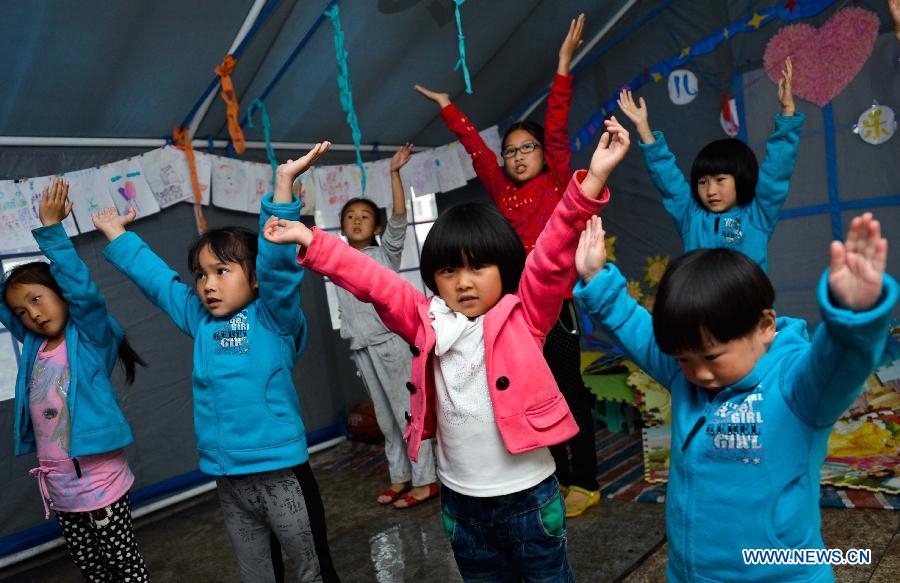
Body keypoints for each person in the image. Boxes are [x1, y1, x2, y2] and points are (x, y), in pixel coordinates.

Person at [263, 118, 629, 581]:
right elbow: (376, 283)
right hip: (462, 505)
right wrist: (312, 240)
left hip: (529, 497)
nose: (464, 282)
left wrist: (593, 178)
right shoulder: (425, 320)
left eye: (478, 267)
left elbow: (554, 250)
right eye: (449, 271)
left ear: (505, 268)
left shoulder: (526, 315)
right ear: (434, 276)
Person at [573, 211, 896, 582]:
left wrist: (853, 316)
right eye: (683, 358)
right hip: (692, 573)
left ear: (765, 327)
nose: (698, 373)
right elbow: (636, 329)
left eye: (712, 357)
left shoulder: (799, 388)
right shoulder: (688, 373)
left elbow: (840, 362)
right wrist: (596, 279)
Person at [94, 144, 339, 583]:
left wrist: (282, 188)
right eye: (202, 274)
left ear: (256, 277)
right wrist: (118, 235)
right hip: (229, 479)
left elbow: (280, 264)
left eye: (222, 271)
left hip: (281, 473)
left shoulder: (274, 315)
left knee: (310, 572)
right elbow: (159, 284)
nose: (208, 284)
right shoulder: (201, 319)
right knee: (257, 574)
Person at [415, 13, 603, 517]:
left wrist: (563, 66)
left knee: (567, 390)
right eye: (511, 151)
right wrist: (450, 109)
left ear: (544, 154)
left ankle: (584, 479)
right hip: (514, 311)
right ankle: (554, 475)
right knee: (529, 391)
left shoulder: (559, 181)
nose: (518, 157)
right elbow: (478, 154)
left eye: (528, 148)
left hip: (556, 306)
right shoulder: (503, 191)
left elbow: (559, 127)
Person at [1, 178, 149, 582]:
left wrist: (52, 232)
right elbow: (6, 306)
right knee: (92, 569)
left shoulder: (89, 338)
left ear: (60, 294)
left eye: (37, 298)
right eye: (20, 311)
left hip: (99, 482)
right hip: (60, 488)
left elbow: (84, 293)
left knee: (124, 567)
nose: (30, 314)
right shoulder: (33, 345)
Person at [617, 57, 804, 271]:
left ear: (740, 179)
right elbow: (667, 179)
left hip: (748, 305)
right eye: (703, 182)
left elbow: (776, 171)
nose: (710, 190)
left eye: (720, 180)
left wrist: (788, 112)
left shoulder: (757, 216)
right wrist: (643, 128)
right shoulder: (690, 217)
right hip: (697, 305)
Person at [331, 143, 438, 508]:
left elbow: (397, 218)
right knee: (386, 420)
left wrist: (394, 173)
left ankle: (426, 480)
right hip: (362, 349)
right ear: (342, 226)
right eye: (350, 216)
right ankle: (400, 478)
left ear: (374, 225)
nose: (357, 220)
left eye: (364, 216)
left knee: (408, 413)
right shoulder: (337, 260)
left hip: (391, 344)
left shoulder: (384, 253)